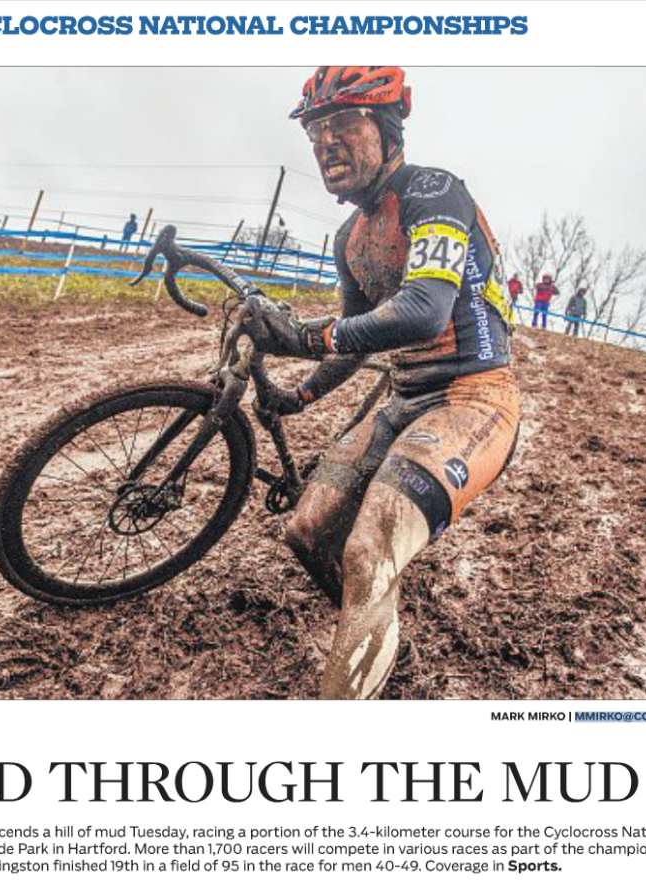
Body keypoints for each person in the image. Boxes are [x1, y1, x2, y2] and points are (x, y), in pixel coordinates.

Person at [248, 66, 520, 699]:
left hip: (472, 400)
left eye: (343, 124)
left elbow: (423, 308)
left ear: (387, 127)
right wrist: (303, 394)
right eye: (315, 133)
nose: (326, 145)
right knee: (308, 533)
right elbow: (355, 329)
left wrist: (303, 337)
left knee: (368, 547)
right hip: (403, 400)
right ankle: (376, 629)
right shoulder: (351, 235)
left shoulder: (432, 192)